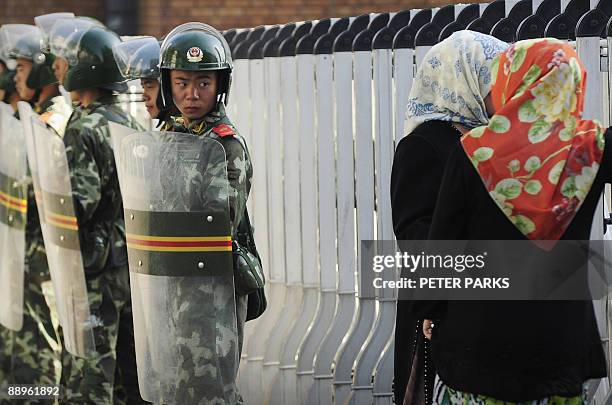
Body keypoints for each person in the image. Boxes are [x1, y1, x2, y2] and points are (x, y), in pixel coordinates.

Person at [422, 38, 609, 404]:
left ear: (517, 82)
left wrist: (430, 307)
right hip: (559, 342)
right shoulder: (591, 149)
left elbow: (444, 246)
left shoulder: (474, 150)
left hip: (478, 343)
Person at [390, 30, 508, 405]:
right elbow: (415, 235)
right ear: (466, 79)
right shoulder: (423, 146)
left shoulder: (492, 140)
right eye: (495, 82)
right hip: (440, 312)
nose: (504, 94)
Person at [45, 18, 146, 404]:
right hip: (131, 264)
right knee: (128, 374)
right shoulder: (130, 122)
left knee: (90, 374)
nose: (59, 67)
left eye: (67, 61)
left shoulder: (84, 127)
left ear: (86, 69)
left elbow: (77, 204)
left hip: (94, 270)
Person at [157, 21, 252, 403]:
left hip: (213, 285)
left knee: (213, 387)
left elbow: (217, 221)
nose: (191, 94)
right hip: (172, 280)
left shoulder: (226, 146)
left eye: (203, 83)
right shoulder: (167, 135)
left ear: (219, 86)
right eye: (181, 83)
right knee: (177, 386)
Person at [0, 22, 72, 390]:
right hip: (23, 253)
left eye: (23, 68)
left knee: (40, 355)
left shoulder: (51, 118)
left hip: (41, 258)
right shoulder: (31, 115)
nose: (14, 77)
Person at [112, 35, 174, 124]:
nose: (143, 97)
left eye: (149, 86)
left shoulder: (190, 132)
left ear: (169, 86)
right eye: (143, 87)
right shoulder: (172, 129)